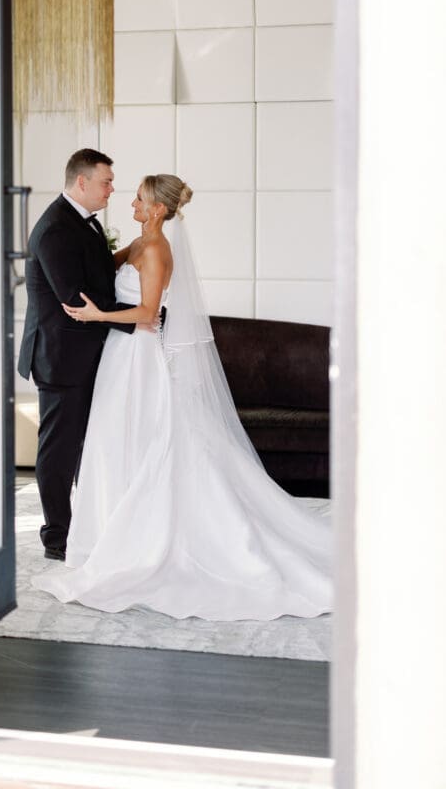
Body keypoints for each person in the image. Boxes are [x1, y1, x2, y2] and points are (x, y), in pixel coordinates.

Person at [33, 174, 333, 620]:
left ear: (158, 209)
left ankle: (141, 538)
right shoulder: (138, 242)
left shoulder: (156, 250)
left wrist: (97, 314)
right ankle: (106, 529)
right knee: (113, 442)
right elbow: (95, 271)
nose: (130, 201)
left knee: (142, 440)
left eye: (139, 198)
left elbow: (149, 313)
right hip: (118, 355)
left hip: (138, 356)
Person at [18, 149, 135, 561]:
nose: (112, 188)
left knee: (86, 445)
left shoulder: (82, 223)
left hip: (84, 352)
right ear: (81, 182)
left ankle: (85, 526)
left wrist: (132, 256)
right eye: (106, 181)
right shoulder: (54, 230)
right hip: (60, 356)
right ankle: (57, 538)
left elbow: (97, 277)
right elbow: (76, 299)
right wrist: (140, 318)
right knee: (59, 450)